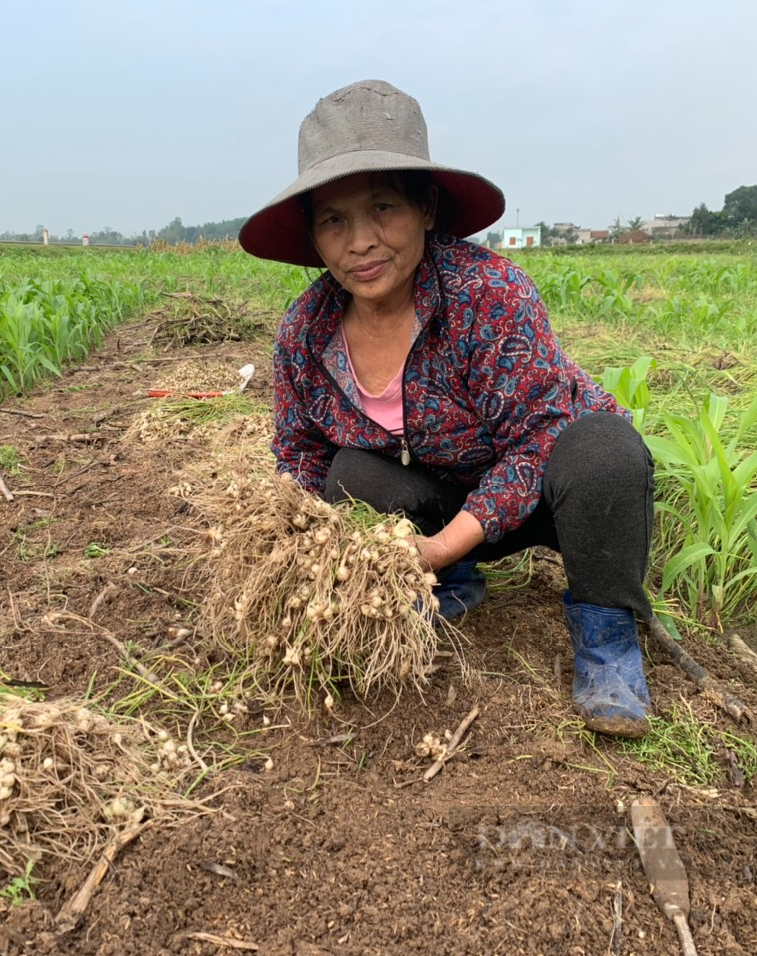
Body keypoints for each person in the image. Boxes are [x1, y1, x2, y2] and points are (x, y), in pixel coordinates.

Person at [238, 80, 655, 739]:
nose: (361, 241)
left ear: (426, 207)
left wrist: (435, 547)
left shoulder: (486, 294)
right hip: (433, 500)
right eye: (334, 220)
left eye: (383, 207)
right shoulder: (306, 332)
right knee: (347, 471)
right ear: (314, 236)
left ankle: (607, 637)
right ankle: (453, 581)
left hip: (548, 497)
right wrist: (313, 562)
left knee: (604, 449)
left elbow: (539, 439)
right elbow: (299, 454)